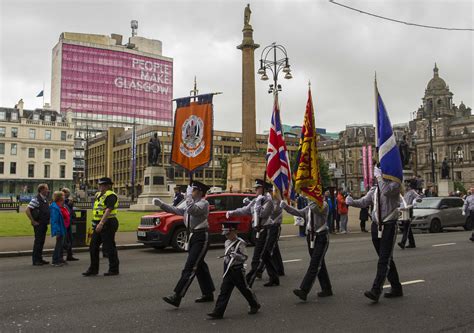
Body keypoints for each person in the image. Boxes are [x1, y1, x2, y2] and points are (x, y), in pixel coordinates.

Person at [346, 165, 403, 302]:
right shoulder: (375, 189)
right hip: (376, 226)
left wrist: (379, 176)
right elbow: (364, 202)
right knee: (386, 258)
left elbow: (386, 190)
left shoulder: (394, 186)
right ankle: (396, 287)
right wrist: (352, 202)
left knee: (384, 259)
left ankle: (376, 290)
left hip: (389, 225)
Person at [154, 181, 215, 308]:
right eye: (191, 190)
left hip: (201, 236)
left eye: (193, 190)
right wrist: (162, 205)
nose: (191, 192)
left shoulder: (203, 203)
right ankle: (208, 293)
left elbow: (192, 210)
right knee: (199, 266)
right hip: (193, 236)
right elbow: (177, 210)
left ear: (199, 192)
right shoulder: (190, 203)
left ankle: (177, 296)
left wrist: (188, 196)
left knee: (190, 266)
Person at [280, 194, 333, 301]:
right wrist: (286, 207)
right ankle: (327, 289)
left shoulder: (323, 205)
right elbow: (299, 213)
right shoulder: (310, 206)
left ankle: (304, 290)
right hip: (311, 237)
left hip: (321, 237)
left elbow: (316, 210)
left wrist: (310, 199)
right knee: (319, 264)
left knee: (314, 264)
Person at [226, 179, 278, 288]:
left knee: (257, 256)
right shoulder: (257, 200)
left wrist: (258, 203)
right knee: (265, 255)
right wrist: (232, 212)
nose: (256, 190)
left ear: (263, 189)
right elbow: (246, 210)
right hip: (257, 230)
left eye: (258, 188)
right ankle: (274, 278)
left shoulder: (268, 200)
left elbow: (263, 214)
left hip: (265, 229)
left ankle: (248, 281)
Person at [207, 222, 260, 319]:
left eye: (228, 233)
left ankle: (254, 304)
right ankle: (218, 311)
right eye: (225, 234)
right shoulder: (227, 242)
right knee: (224, 291)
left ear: (234, 231)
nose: (227, 236)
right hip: (229, 270)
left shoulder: (240, 243)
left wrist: (237, 256)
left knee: (244, 289)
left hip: (237, 270)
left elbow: (245, 257)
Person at [83, 177, 120, 277]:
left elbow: (108, 210)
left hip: (108, 223)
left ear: (108, 186)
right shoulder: (98, 195)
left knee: (109, 246)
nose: (100, 187)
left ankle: (114, 269)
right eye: (100, 185)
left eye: (102, 185)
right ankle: (93, 269)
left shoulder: (111, 196)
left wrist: (101, 223)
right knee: (93, 246)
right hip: (99, 223)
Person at [25, 184, 51, 266]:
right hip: (38, 224)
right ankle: (36, 260)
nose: (48, 191)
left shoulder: (45, 199)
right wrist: (33, 221)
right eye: (46, 189)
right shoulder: (36, 199)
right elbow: (27, 210)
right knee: (38, 242)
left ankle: (39, 258)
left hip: (43, 224)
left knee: (41, 241)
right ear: (41, 190)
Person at [398, 179, 419, 249]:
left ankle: (403, 243)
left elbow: (418, 197)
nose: (406, 186)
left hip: (409, 211)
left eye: (407, 184)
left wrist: (415, 201)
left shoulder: (412, 192)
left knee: (406, 227)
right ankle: (412, 243)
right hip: (402, 211)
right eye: (405, 184)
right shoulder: (402, 193)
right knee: (407, 228)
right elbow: (400, 202)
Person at [50, 191, 67, 267]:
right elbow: (54, 220)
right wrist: (57, 231)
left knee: (60, 245)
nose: (64, 196)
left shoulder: (58, 206)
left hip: (61, 228)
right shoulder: (55, 207)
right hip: (59, 229)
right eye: (63, 195)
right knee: (58, 245)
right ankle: (55, 260)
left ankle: (59, 259)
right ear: (60, 197)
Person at [61, 188, 79, 261]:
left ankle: (69, 255)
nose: (68, 195)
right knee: (64, 240)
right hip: (65, 223)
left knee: (70, 239)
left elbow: (70, 210)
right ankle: (61, 256)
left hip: (70, 222)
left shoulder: (68, 202)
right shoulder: (62, 202)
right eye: (67, 193)